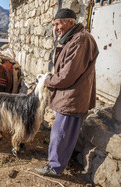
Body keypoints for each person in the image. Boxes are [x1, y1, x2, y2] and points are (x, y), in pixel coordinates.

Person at [35, 8, 99, 176]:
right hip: (72, 96)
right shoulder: (76, 38)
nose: (56, 28)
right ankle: (60, 161)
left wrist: (46, 81)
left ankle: (55, 168)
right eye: (54, 24)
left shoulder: (81, 41)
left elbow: (67, 76)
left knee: (61, 133)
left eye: (58, 24)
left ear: (70, 22)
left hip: (72, 97)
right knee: (65, 133)